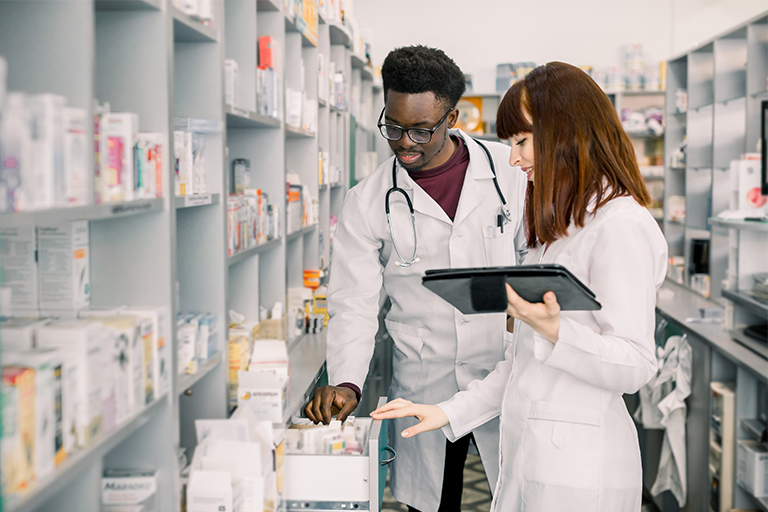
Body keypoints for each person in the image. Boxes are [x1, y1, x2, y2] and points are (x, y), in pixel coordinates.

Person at [371, 61, 668, 512]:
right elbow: (520, 367)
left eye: (522, 142)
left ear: (568, 134)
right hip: (533, 461)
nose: (513, 158)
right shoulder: (562, 228)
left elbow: (635, 365)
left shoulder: (620, 226)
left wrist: (555, 332)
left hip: (580, 471)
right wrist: (447, 413)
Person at [303, 45, 528, 512]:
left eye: (422, 130)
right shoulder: (367, 201)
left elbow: (540, 259)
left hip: (505, 374)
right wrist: (347, 382)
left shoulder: (510, 173)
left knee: (517, 496)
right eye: (394, 127)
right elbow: (354, 303)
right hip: (427, 381)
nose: (406, 142)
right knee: (432, 505)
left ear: (453, 118)